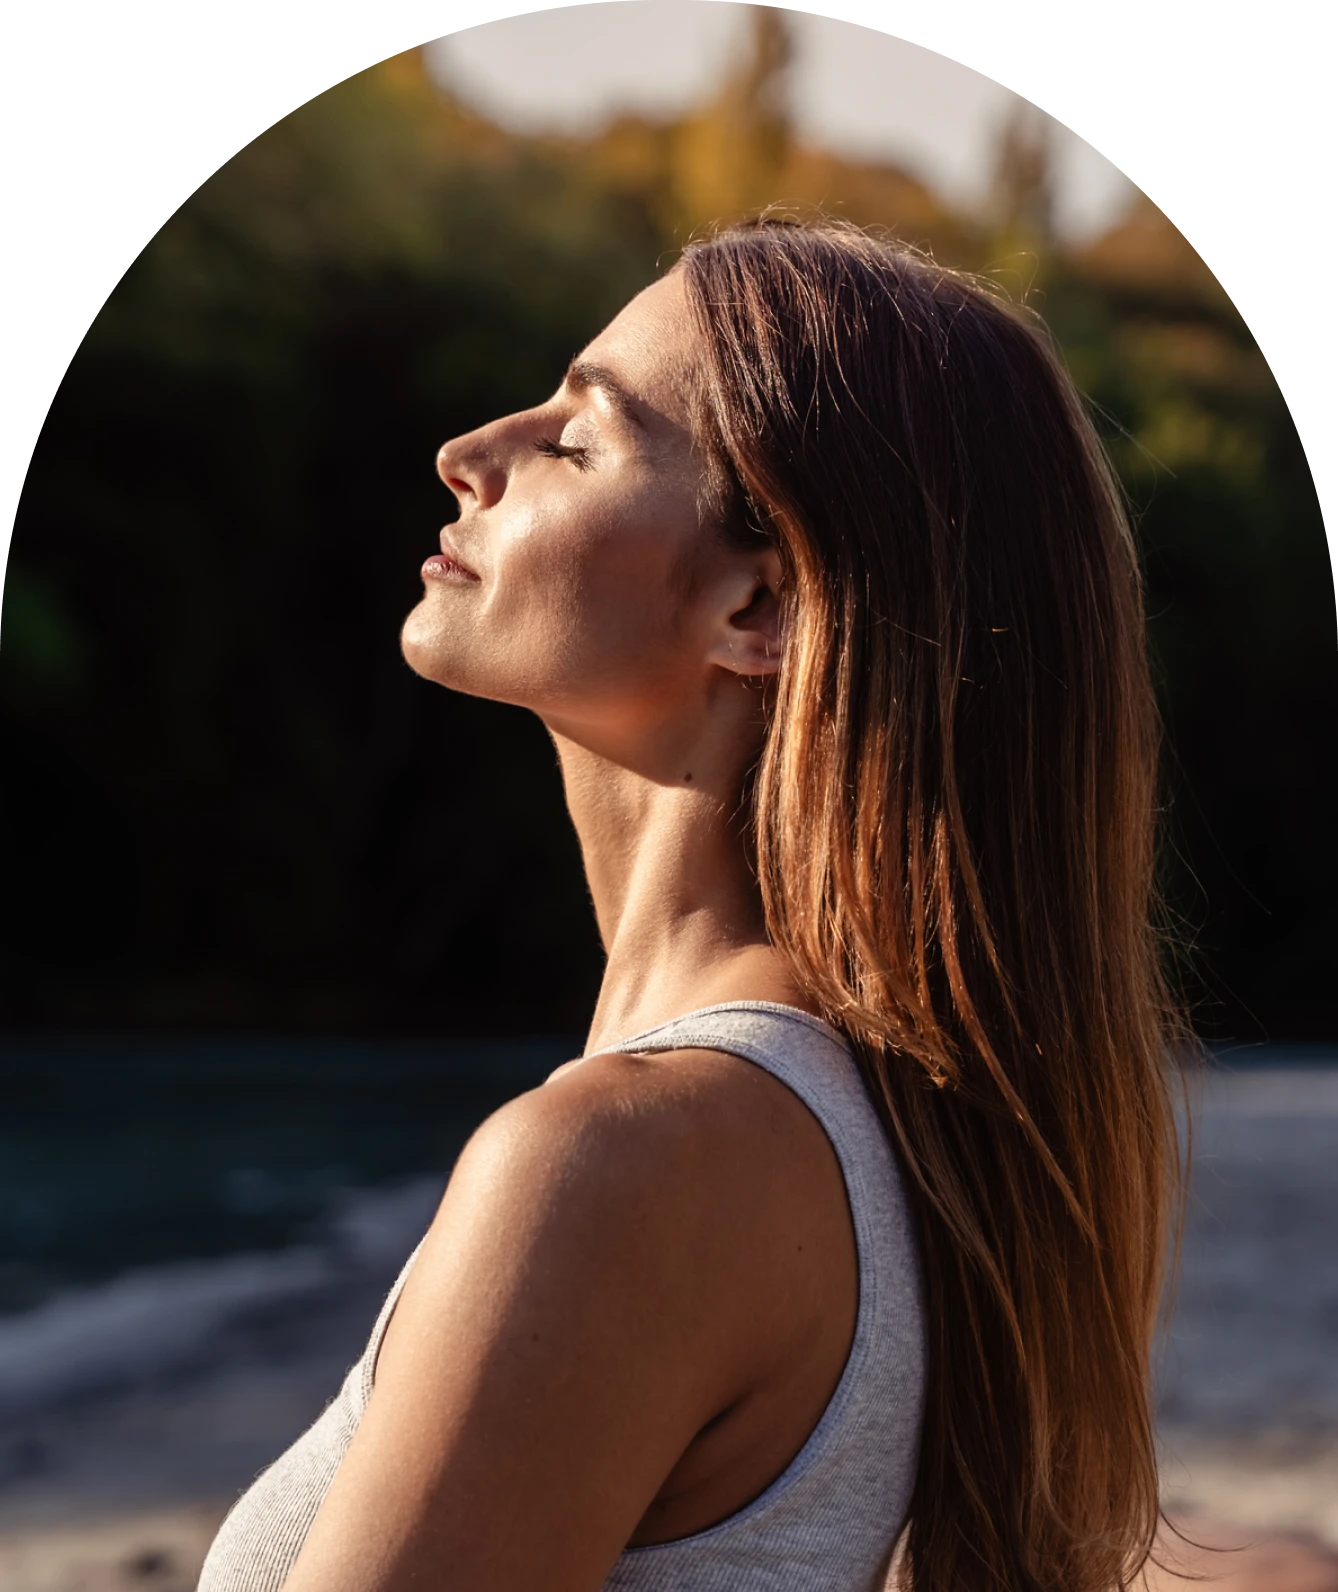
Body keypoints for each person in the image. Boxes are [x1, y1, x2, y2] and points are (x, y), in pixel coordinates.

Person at [199, 215, 1189, 1592]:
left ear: (761, 609)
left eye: (576, 440)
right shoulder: (872, 1142)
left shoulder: (619, 1166)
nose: (469, 452)